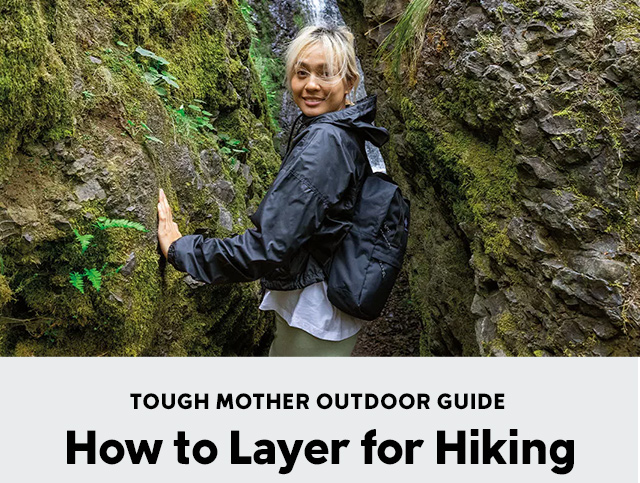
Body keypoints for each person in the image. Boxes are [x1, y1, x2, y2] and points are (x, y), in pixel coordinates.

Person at [157, 25, 390, 357]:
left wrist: (182, 251)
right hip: (320, 303)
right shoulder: (348, 129)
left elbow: (269, 246)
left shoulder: (325, 142)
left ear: (349, 82)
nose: (310, 85)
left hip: (314, 313)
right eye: (301, 72)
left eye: (326, 74)